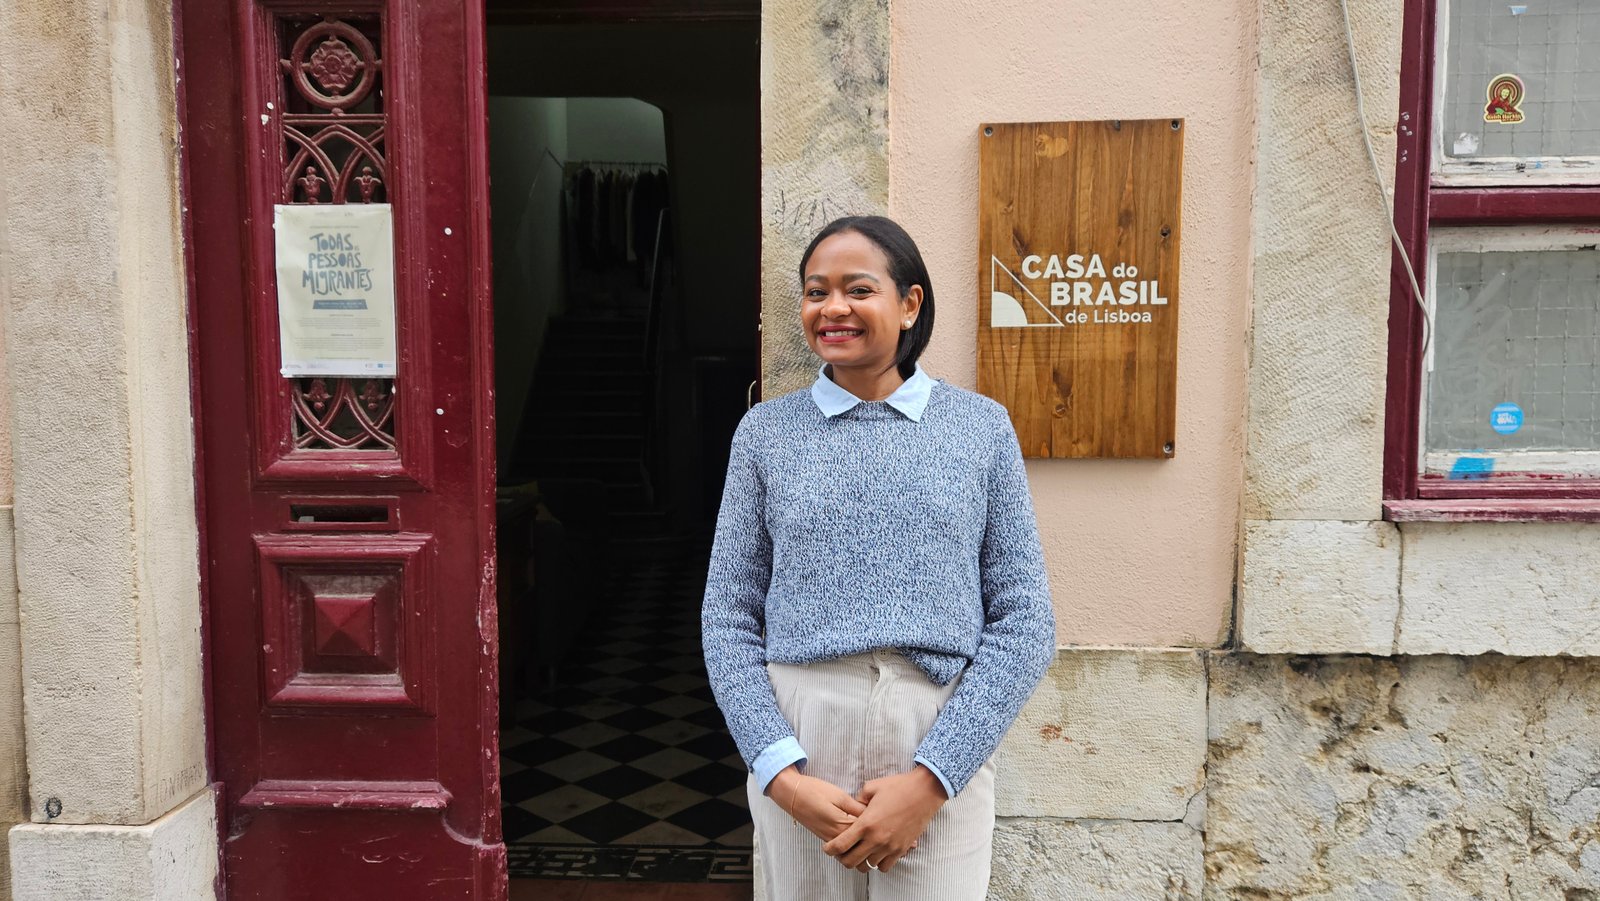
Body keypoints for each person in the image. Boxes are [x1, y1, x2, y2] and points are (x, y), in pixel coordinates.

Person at [701, 215, 1056, 900]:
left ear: (909, 303)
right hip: (801, 729)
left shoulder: (980, 428)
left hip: (938, 726)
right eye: (815, 291)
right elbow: (728, 616)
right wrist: (780, 772)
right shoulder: (765, 435)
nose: (832, 308)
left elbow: (1024, 619)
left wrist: (932, 780)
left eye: (857, 289)